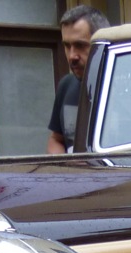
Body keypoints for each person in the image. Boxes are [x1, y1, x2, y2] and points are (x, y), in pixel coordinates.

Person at [47, 5, 110, 154]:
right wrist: (63, 171)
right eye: (67, 46)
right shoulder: (66, 86)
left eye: (80, 45)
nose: (71, 56)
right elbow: (56, 139)